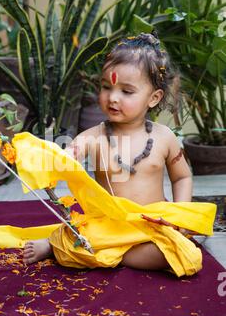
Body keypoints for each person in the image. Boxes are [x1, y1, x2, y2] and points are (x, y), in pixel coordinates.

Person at [23, 32, 197, 271]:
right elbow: (68, 157)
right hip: (108, 225)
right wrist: (55, 158)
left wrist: (181, 215)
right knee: (83, 235)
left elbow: (182, 176)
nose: (113, 98)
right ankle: (56, 244)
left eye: (126, 91)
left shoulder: (164, 137)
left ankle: (110, 254)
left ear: (154, 98)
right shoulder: (94, 136)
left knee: (183, 254)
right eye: (106, 87)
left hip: (152, 223)